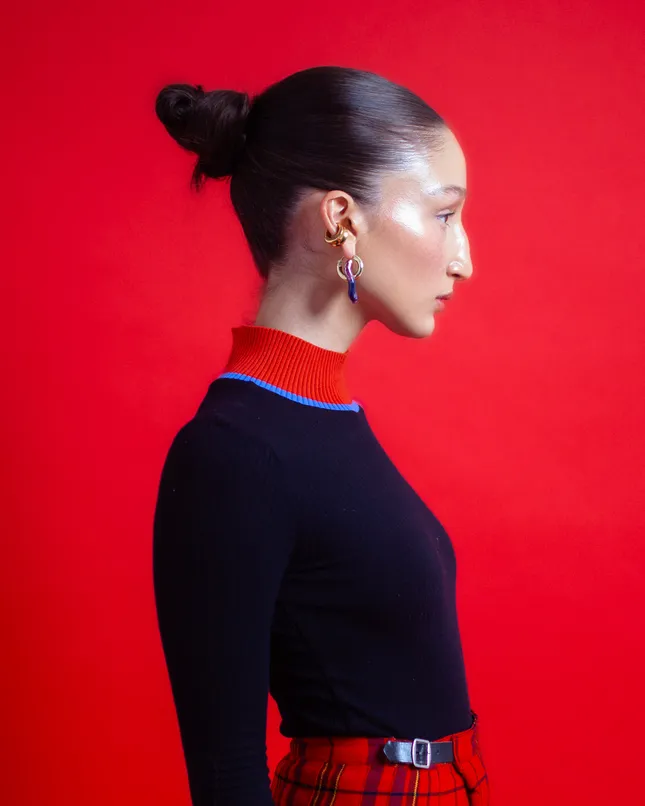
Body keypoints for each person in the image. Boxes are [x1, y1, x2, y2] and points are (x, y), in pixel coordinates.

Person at [152, 65, 489, 805]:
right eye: (444, 215)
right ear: (341, 218)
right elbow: (225, 774)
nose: (463, 260)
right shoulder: (233, 453)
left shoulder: (327, 420)